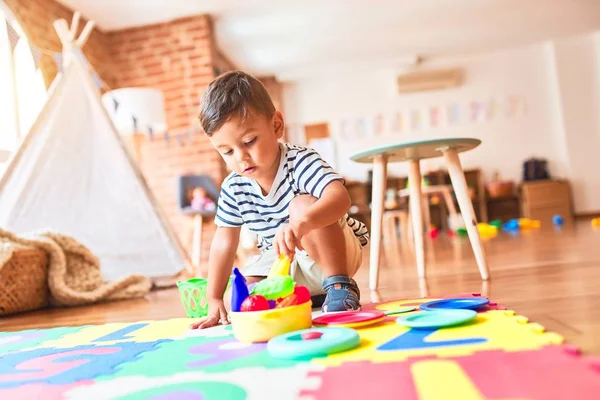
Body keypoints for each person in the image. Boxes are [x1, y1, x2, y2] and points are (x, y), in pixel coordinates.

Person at [190, 71, 369, 329]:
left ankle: (339, 286)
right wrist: (214, 296)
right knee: (240, 298)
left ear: (276, 126)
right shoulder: (233, 186)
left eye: (249, 141)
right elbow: (223, 243)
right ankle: (300, 297)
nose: (241, 157)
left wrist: (303, 222)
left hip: (331, 256)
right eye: (227, 151)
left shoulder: (301, 161)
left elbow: (339, 198)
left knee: (301, 205)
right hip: (282, 261)